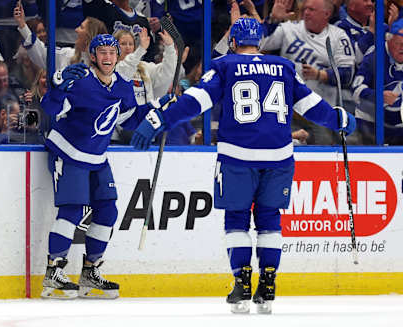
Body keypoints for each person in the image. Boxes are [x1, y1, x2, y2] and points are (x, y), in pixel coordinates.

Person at [130, 17, 356, 314]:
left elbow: (197, 101)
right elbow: (311, 106)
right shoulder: (285, 67)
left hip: (237, 158)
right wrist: (338, 118)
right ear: (260, 42)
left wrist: (159, 120)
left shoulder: (225, 65)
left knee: (237, 219)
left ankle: (242, 282)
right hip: (278, 158)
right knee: (270, 219)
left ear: (234, 42)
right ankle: (269, 282)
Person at [39, 34, 175, 299]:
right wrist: (56, 86)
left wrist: (158, 107)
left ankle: (90, 272)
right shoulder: (78, 81)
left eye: (112, 53)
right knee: (72, 210)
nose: (108, 57)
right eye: (102, 52)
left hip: (97, 158)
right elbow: (50, 108)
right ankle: (53, 272)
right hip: (68, 154)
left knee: (108, 211)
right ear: (93, 56)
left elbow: (131, 119)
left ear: (118, 56)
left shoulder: (122, 87)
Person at [259, 0, 355, 144]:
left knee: (323, 157)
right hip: (288, 112)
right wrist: (273, 20)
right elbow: (259, 44)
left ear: (326, 14)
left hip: (320, 112)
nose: (306, 13)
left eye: (311, 9)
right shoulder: (289, 29)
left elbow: (348, 74)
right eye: (305, 9)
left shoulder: (338, 36)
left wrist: (320, 75)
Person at [352, 18, 403, 145]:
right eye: (399, 43)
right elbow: (356, 90)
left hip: (398, 125)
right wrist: (378, 96)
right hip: (370, 123)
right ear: (389, 40)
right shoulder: (375, 57)